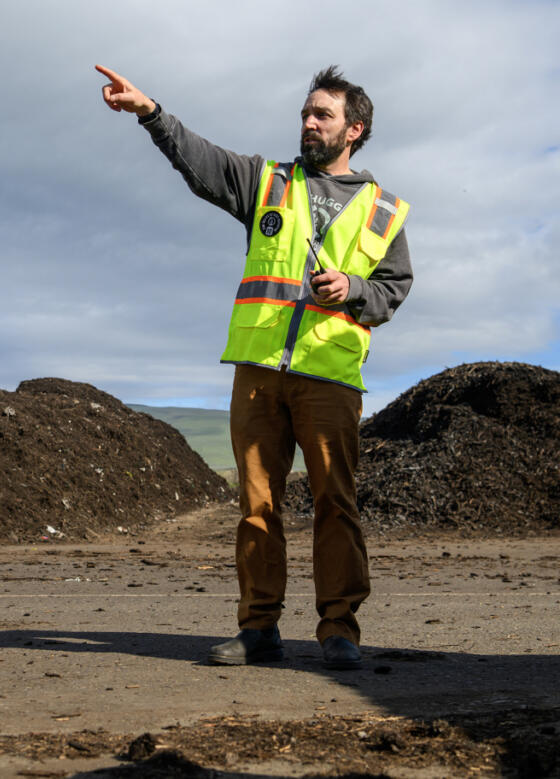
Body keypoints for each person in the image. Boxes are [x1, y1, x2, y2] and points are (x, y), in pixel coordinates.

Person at [96, 64, 412, 670]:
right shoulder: (266, 180)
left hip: (330, 379)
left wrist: (351, 288)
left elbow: (392, 291)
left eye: (323, 114)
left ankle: (339, 629)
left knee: (334, 505)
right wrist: (149, 112)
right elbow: (201, 159)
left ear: (355, 129)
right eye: (305, 112)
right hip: (259, 373)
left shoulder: (384, 211)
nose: (309, 122)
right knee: (257, 504)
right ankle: (259, 628)